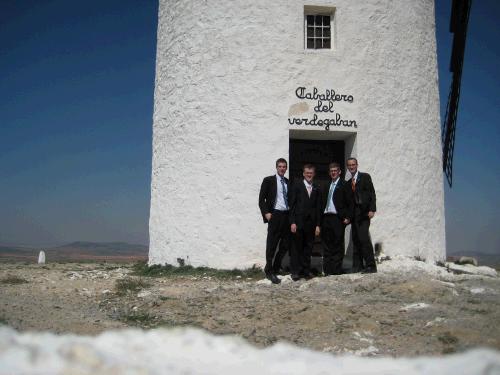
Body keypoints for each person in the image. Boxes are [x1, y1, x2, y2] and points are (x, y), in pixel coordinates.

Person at [258, 158, 290, 284]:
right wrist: (266, 213)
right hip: (275, 215)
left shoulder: (288, 182)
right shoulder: (269, 180)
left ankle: (276, 266)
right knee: (272, 244)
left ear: (286, 168)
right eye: (280, 166)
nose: (282, 168)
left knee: (286, 243)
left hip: (286, 215)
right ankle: (269, 270)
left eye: (284, 167)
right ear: (276, 167)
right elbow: (261, 199)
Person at [289, 164, 321, 281]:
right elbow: (291, 205)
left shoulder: (316, 187)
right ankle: (295, 271)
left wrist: (318, 224)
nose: (309, 175)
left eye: (311, 173)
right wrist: (292, 222)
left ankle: (305, 271)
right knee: (296, 248)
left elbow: (318, 207)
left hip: (311, 224)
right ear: (303, 173)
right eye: (307, 172)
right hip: (298, 223)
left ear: (314, 174)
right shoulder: (297, 186)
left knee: (308, 248)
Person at [346, 157, 377, 273]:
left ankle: (371, 265)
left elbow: (372, 193)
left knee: (364, 239)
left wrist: (372, 209)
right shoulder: (349, 183)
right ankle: (357, 265)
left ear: (357, 165)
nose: (351, 167)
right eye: (349, 165)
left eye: (353, 164)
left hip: (364, 214)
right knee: (356, 240)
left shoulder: (365, 177)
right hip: (355, 216)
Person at [321, 162, 352, 275]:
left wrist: (348, 217)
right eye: (331, 171)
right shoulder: (327, 185)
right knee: (327, 245)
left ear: (339, 172)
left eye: (335, 171)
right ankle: (327, 270)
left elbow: (350, 202)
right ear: (329, 173)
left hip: (337, 218)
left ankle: (336, 270)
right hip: (326, 218)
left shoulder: (344, 185)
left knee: (337, 245)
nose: (333, 172)